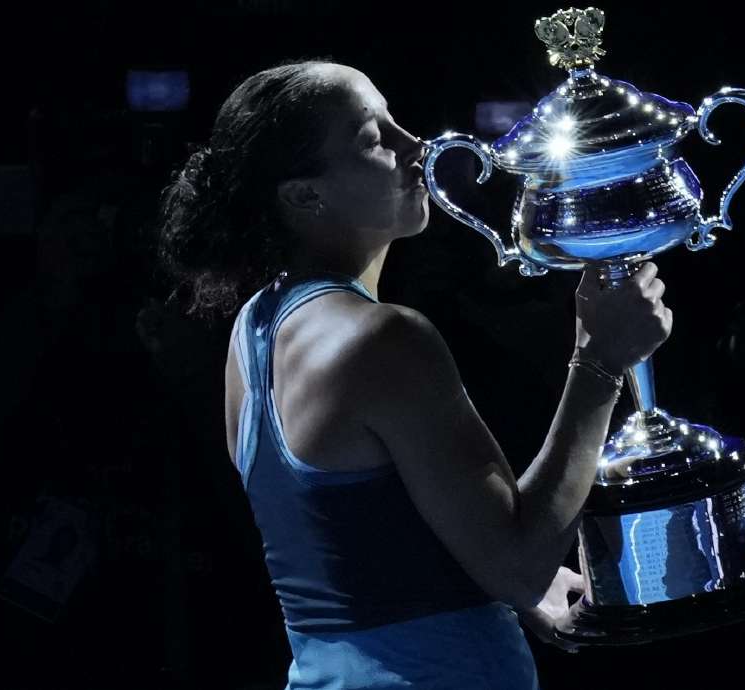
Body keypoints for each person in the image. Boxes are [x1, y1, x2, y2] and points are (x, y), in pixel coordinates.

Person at [156, 58, 672, 689]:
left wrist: (478, 585)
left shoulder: (254, 328)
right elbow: (521, 566)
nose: (416, 146)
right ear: (304, 195)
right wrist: (599, 360)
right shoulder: (384, 340)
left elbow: (353, 553)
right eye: (375, 140)